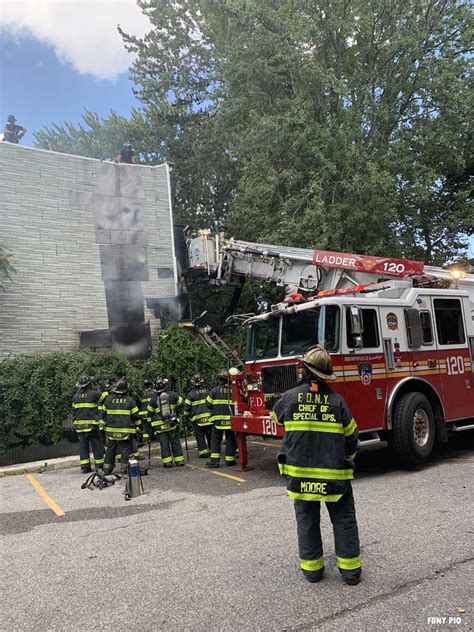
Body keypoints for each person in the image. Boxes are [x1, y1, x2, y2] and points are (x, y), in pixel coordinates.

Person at [272, 345, 361, 585]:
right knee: (343, 519)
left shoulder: (288, 399)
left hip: (300, 476)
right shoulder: (338, 402)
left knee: (307, 520)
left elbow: (276, 418)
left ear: (304, 370)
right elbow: (352, 438)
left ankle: (313, 571)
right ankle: (350, 573)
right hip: (335, 477)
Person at [102, 377, 140, 475]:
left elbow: (103, 415)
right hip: (125, 432)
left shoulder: (108, 400)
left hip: (111, 431)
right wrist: (139, 426)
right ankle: (124, 469)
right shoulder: (130, 401)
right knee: (125, 449)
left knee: (110, 449)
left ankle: (106, 469)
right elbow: (136, 416)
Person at [147, 377, 184, 468]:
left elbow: (149, 414)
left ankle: (168, 462)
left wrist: (150, 426)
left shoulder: (153, 399)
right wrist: (178, 415)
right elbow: (182, 404)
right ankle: (179, 461)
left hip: (160, 427)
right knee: (175, 442)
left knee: (164, 444)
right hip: (172, 424)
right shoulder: (173, 395)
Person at [71, 373, 104, 473]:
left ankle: (85, 467)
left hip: (79, 426)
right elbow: (103, 399)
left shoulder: (75, 397)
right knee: (97, 445)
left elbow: (73, 411)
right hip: (91, 426)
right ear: (89, 384)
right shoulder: (93, 394)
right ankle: (99, 466)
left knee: (83, 446)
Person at [206, 369, 237, 468]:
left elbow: (208, 404)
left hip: (217, 421)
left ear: (219, 380)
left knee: (215, 440)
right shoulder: (234, 390)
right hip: (230, 421)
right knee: (230, 440)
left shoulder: (214, 390)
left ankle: (215, 461)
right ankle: (230, 460)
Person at [184, 374, 212, 458]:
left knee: (200, 437)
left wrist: (185, 418)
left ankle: (203, 453)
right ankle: (213, 450)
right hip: (209, 419)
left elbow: (187, 408)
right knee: (210, 436)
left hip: (197, 420)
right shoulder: (207, 391)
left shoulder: (191, 394)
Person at [139, 379, 154, 444]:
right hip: (150, 413)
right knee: (151, 426)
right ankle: (152, 439)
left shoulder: (142, 393)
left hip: (143, 414)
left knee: (145, 428)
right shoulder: (153, 392)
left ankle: (145, 441)